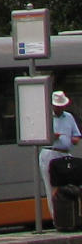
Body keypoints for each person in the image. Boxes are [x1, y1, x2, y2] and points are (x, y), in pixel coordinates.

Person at [40, 90, 82, 220]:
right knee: (51, 186)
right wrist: (51, 136)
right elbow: (39, 136)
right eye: (57, 106)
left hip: (64, 154)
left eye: (61, 106)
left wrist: (75, 139)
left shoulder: (68, 117)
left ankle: (69, 215)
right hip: (50, 152)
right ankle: (56, 217)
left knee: (68, 184)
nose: (60, 108)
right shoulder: (45, 117)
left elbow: (76, 134)